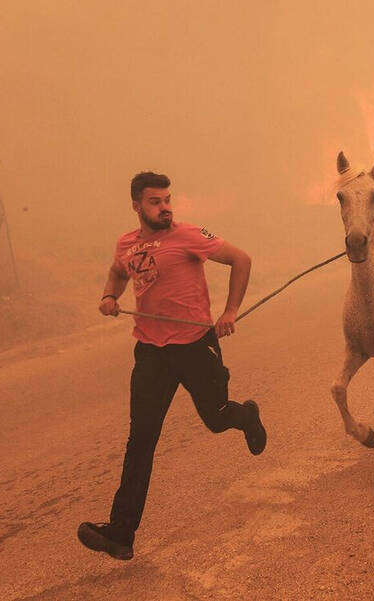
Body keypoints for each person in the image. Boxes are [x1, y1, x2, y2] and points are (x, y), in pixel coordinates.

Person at [77, 171, 266, 560]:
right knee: (141, 440)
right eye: (155, 201)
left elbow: (240, 259)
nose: (165, 207)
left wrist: (230, 310)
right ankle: (121, 533)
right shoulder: (126, 244)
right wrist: (109, 296)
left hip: (196, 346)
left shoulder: (189, 236)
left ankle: (246, 416)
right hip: (151, 352)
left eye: (167, 200)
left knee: (215, 418)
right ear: (136, 206)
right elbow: (117, 272)